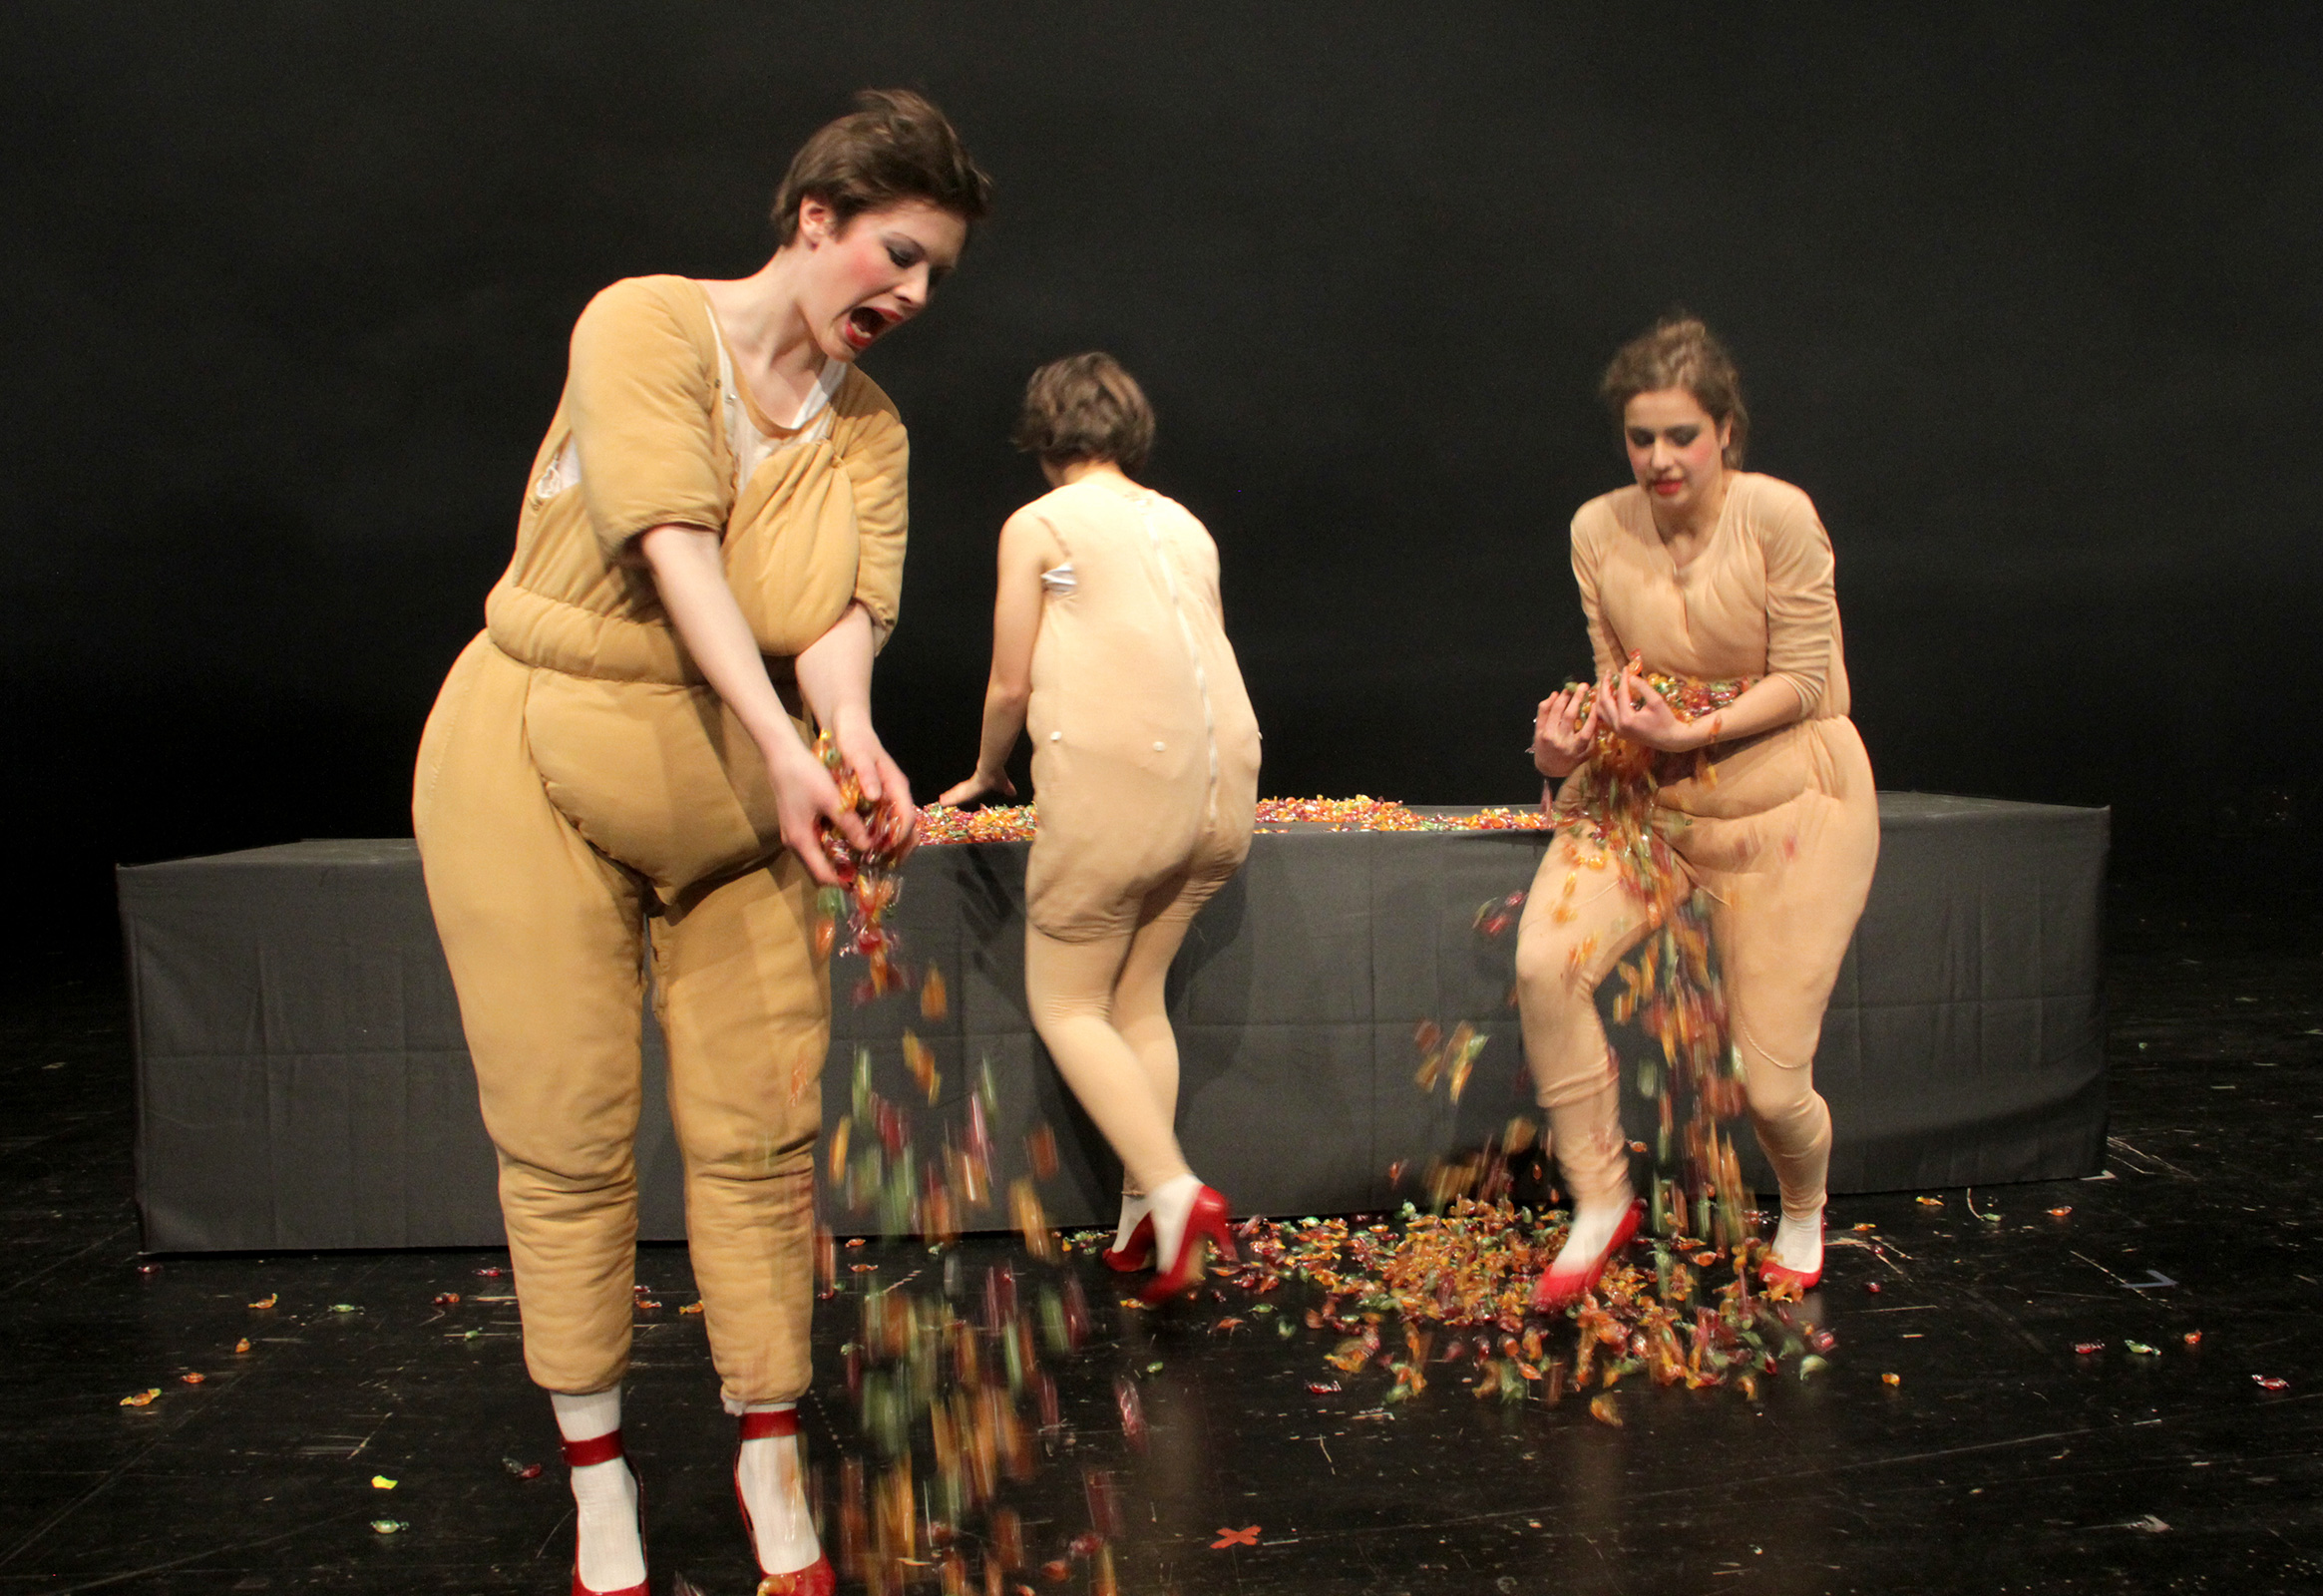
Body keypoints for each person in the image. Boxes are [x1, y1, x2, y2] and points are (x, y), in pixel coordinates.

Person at [412, 91, 989, 1596]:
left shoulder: (871, 431)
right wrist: (784, 747)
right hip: (533, 755)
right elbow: (673, 541)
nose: (914, 295)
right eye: (899, 253)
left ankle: (769, 1456)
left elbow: (843, 617)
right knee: (565, 1126)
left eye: (935, 274)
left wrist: (846, 738)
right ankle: (597, 1476)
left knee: (763, 1130)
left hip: (735, 798)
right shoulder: (645, 324)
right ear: (817, 216)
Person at [1516, 316, 1879, 1308]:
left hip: (1787, 804)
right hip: (1649, 796)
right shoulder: (1597, 529)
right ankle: (1600, 1197)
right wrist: (1565, 752)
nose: (1660, 459)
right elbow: (1617, 681)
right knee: (1545, 966)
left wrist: (1692, 729)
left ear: (1725, 430)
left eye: (1681, 435)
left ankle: (1800, 1206)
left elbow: (1807, 680)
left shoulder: (1776, 517)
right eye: (1641, 438)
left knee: (1769, 1085)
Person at [939, 353, 1261, 1305]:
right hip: (1223, 787)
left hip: (1122, 786)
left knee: (1068, 1004)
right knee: (1135, 999)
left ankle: (1173, 1190)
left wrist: (987, 772)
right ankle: (1141, 1221)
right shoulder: (1187, 525)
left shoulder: (1040, 524)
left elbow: (1010, 681)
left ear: (1043, 435)